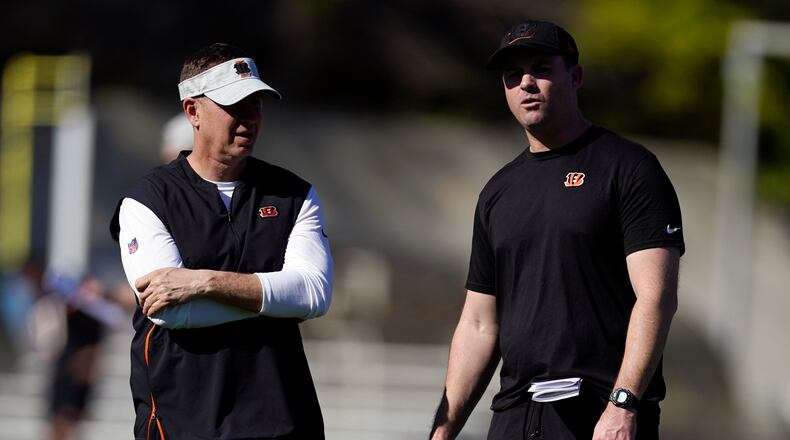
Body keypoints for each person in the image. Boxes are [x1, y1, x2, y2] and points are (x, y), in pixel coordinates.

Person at [430, 21, 684, 440]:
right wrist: (442, 432)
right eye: (513, 76)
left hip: (599, 412)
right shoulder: (499, 191)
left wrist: (623, 404)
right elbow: (478, 324)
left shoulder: (628, 168)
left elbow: (656, 297)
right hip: (516, 414)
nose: (526, 82)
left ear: (575, 76)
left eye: (541, 68)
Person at [110, 43, 332, 439]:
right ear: (192, 111)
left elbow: (314, 294)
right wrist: (276, 300)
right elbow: (170, 313)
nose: (249, 118)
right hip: (184, 422)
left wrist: (204, 283)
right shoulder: (146, 200)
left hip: (284, 421)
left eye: (257, 105)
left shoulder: (294, 194)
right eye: (235, 105)